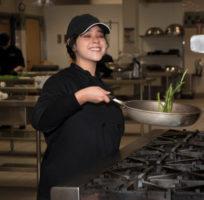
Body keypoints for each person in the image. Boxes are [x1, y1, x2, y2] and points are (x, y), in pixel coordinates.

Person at [31, 14, 124, 200]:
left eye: (100, 35)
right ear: (72, 44)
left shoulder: (104, 87)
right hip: (67, 186)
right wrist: (81, 97)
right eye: (87, 36)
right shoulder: (59, 82)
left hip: (99, 185)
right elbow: (40, 120)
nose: (96, 40)